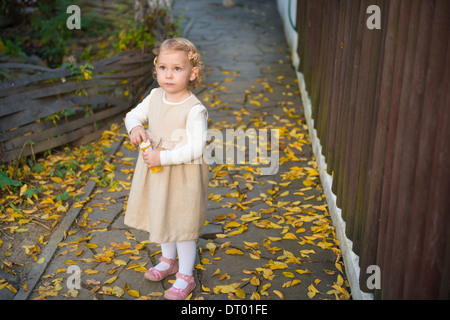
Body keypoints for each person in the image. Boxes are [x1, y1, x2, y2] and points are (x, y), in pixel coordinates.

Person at [124, 38, 208, 300]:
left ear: (192, 73)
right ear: (156, 69)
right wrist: (136, 127)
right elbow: (132, 115)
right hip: (158, 173)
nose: (168, 75)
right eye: (163, 68)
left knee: (181, 222)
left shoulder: (194, 110)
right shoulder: (155, 97)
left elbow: (196, 148)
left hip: (182, 175)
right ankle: (168, 259)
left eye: (177, 69)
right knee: (162, 212)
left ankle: (185, 274)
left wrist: (164, 157)